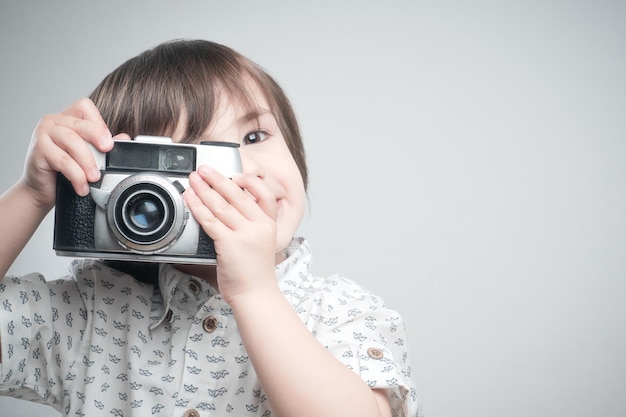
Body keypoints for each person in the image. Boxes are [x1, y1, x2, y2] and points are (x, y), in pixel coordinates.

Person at [0, 39, 420, 417]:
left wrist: (255, 291)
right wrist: (31, 195)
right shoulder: (88, 315)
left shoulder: (343, 312)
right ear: (128, 189)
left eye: (254, 136)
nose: (244, 170)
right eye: (199, 158)